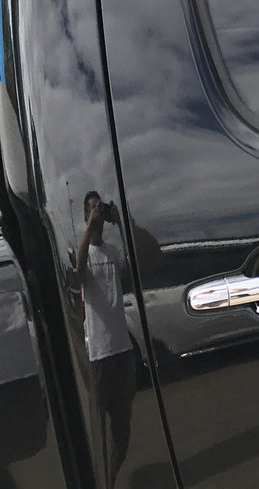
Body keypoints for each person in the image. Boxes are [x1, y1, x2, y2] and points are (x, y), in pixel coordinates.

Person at [75, 191, 135, 488]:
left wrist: (121, 222)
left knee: (122, 429)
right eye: (92, 208)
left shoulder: (113, 251)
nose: (98, 212)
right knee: (97, 427)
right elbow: (78, 273)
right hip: (99, 354)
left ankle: (110, 480)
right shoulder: (84, 251)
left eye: (100, 207)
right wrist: (90, 227)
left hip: (123, 350)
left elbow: (136, 264)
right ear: (86, 216)